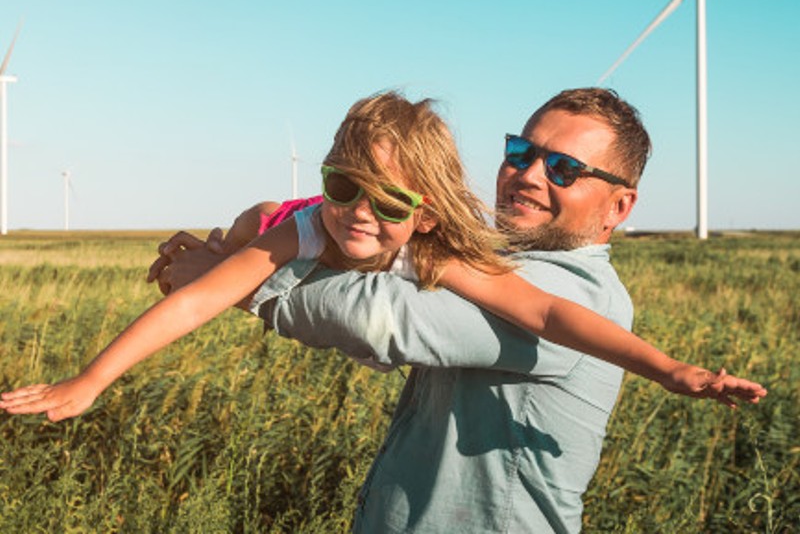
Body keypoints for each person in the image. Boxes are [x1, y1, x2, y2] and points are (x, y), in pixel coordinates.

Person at [2, 91, 763, 532]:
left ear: (619, 207)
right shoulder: (460, 251)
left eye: (563, 167)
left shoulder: (577, 290)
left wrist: (670, 368)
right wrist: (221, 269)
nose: (530, 174)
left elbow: (376, 317)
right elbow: (223, 282)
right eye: (521, 151)